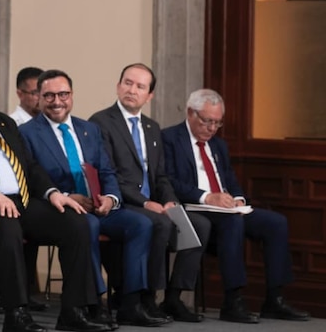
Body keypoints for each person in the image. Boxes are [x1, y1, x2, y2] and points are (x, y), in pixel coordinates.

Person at [0, 60, 103, 332]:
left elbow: (30, 166)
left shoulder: (5, 122)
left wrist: (53, 193)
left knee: (76, 222)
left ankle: (73, 310)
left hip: (20, 200)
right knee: (6, 223)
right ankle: (17, 314)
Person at [19, 70, 165, 328]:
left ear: (72, 96)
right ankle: (95, 303)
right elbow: (31, 176)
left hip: (98, 206)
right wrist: (65, 197)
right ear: (39, 98)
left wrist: (110, 198)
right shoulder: (27, 133)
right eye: (49, 95)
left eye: (63, 94)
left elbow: (107, 171)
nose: (57, 101)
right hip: (62, 209)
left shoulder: (89, 129)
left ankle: (130, 303)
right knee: (88, 226)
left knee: (142, 224)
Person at [162, 89, 309, 323]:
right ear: (191, 113)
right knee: (232, 222)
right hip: (195, 208)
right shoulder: (169, 138)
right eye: (207, 121)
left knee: (275, 223)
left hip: (225, 208)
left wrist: (239, 198)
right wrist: (206, 197)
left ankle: (275, 299)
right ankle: (233, 300)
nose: (212, 128)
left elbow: (229, 179)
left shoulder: (218, 145)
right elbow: (168, 180)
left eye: (217, 123)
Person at [89, 64, 208, 323]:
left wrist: (169, 201)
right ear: (118, 86)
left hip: (152, 202)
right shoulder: (101, 121)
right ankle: (146, 298)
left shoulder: (152, 128)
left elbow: (160, 176)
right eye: (128, 83)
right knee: (159, 222)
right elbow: (109, 174)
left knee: (198, 225)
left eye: (140, 86)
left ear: (149, 95)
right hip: (124, 203)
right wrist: (146, 202)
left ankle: (174, 297)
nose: (132, 90)